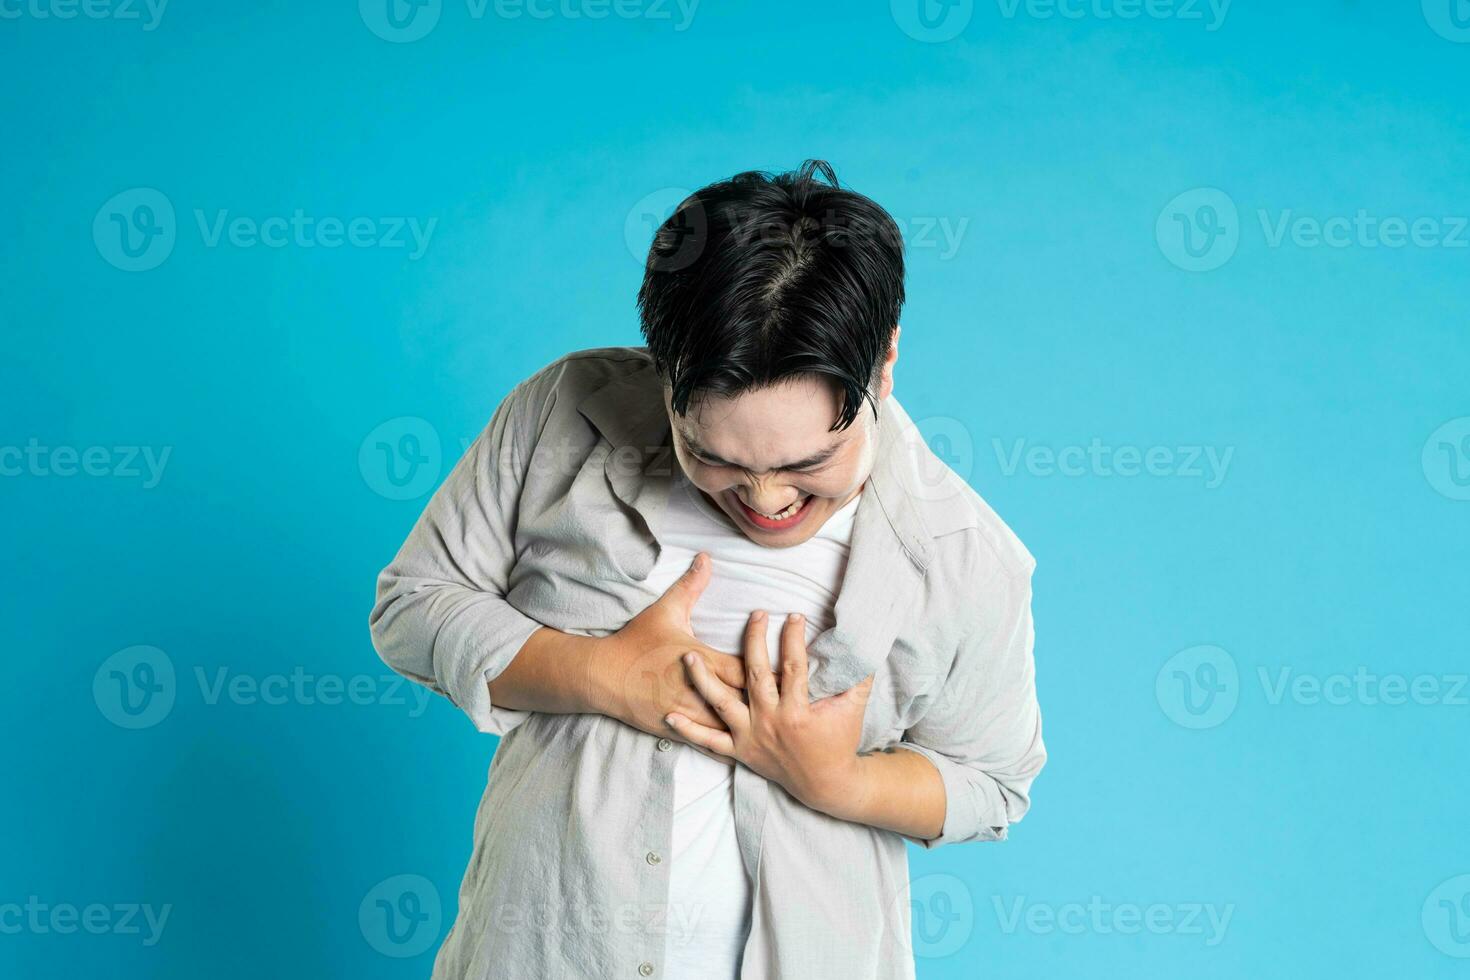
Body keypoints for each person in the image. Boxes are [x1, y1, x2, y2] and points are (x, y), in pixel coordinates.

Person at [369, 159, 1046, 980]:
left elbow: (993, 783)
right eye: (712, 455)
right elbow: (414, 606)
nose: (765, 499)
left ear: (886, 360)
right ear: (664, 371)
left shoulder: (964, 554)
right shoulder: (562, 412)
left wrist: (837, 780)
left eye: (809, 462)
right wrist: (600, 674)